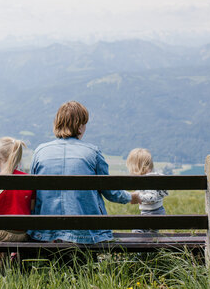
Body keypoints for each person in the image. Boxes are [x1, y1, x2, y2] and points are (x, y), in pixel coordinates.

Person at [28, 101, 141, 244]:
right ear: (80, 126)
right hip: (85, 234)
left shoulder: (40, 152)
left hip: (45, 233)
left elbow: (32, 191)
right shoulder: (92, 152)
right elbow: (110, 191)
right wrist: (131, 197)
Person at [126, 148, 168, 233]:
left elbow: (152, 197)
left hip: (152, 213)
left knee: (136, 231)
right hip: (157, 212)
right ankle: (149, 245)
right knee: (151, 235)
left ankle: (141, 245)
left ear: (137, 167)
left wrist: (138, 197)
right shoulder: (153, 177)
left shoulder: (149, 180)